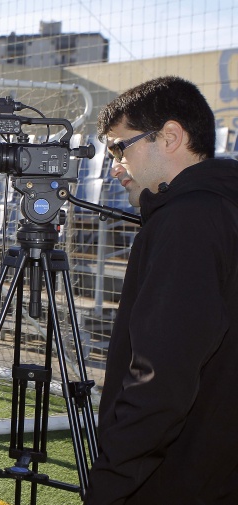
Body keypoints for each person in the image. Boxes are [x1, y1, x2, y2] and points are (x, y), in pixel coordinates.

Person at [85, 76, 238, 504]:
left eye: (120, 147)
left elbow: (161, 380)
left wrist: (111, 481)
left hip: (177, 478)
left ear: (170, 136)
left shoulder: (187, 221)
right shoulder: (220, 207)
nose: (114, 165)